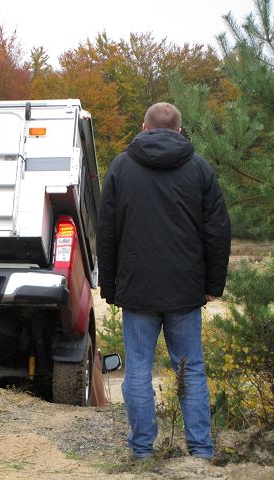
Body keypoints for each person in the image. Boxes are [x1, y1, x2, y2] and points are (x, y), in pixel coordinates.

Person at [96, 102, 231, 461]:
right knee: (191, 368)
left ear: (143, 127)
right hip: (186, 290)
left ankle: (141, 451)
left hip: (137, 289)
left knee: (137, 369)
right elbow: (218, 231)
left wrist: (109, 286)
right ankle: (201, 451)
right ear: (180, 131)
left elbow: (106, 232)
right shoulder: (200, 169)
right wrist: (212, 285)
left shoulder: (121, 168)